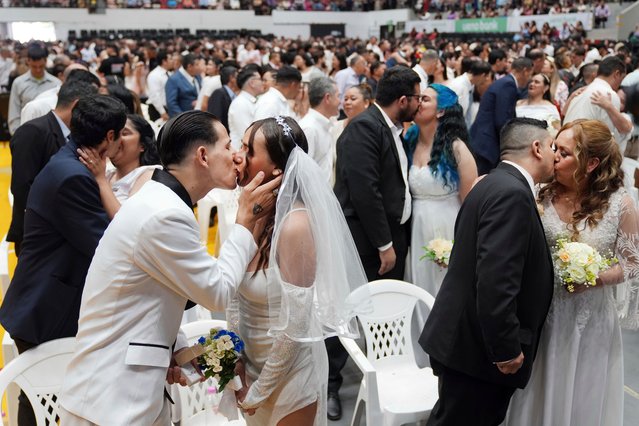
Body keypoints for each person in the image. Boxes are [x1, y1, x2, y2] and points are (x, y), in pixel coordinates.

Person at [58, 111, 282, 425]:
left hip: (129, 392)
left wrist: (173, 349)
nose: (237, 157)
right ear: (203, 156)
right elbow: (216, 293)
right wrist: (245, 220)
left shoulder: (161, 200)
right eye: (229, 145)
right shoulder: (164, 213)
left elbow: (148, 294)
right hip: (109, 401)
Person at [229, 116, 368, 426]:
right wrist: (235, 358)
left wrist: (260, 390)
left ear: (277, 168)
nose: (238, 156)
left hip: (289, 375)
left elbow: (297, 323)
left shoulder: (295, 225)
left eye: (249, 150)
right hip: (250, 368)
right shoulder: (252, 212)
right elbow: (234, 294)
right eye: (240, 145)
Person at [0, 95, 127, 426]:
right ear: (110, 137)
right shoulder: (73, 175)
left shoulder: (70, 161)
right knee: (46, 399)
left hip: (48, 297)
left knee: (46, 398)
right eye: (121, 135)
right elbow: (107, 245)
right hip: (46, 306)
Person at [420, 118, 556, 426]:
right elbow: (496, 278)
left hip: (464, 339)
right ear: (536, 148)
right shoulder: (512, 193)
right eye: (551, 147)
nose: (554, 155)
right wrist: (505, 347)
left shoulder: (491, 182)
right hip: (478, 350)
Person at [504, 119, 639, 426]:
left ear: (591, 163)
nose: (553, 157)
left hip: (589, 320)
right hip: (542, 315)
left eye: (563, 153)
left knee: (582, 395)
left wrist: (596, 277)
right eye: (554, 148)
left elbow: (633, 264)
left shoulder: (621, 205)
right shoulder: (540, 194)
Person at [331, 65, 421, 420]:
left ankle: (385, 372)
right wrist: (384, 243)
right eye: (416, 97)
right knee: (349, 308)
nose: (417, 103)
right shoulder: (365, 128)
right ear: (403, 100)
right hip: (365, 239)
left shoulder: (390, 128)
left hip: (388, 235)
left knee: (383, 309)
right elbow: (364, 192)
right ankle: (331, 383)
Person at [7, 80, 98, 257]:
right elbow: (22, 187)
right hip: (36, 233)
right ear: (77, 105)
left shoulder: (74, 134)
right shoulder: (33, 131)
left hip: (61, 231)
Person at [403, 84, 477, 297]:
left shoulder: (456, 148)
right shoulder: (409, 140)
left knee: (444, 288)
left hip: (446, 226)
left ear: (441, 111)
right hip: (416, 227)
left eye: (425, 99)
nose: (418, 103)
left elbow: (470, 204)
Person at [76, 114, 162, 218]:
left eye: (124, 133)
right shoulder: (107, 172)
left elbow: (125, 222)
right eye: (113, 134)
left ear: (142, 145)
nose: (115, 139)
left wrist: (101, 180)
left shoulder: (149, 175)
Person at [470, 58, 534, 174]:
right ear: (525, 71)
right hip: (486, 145)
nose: (530, 79)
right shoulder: (508, 85)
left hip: (482, 141)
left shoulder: (505, 82)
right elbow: (502, 121)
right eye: (530, 74)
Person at [8, 43, 61, 134]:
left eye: (41, 66)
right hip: (26, 132)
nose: (38, 70)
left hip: (51, 133)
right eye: (34, 66)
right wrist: (17, 135)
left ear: (45, 61)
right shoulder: (18, 83)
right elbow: (14, 112)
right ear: (28, 61)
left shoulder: (56, 83)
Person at [299, 77, 340, 183]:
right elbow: (303, 174)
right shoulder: (309, 128)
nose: (340, 101)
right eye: (338, 96)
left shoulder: (326, 124)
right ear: (327, 98)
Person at [228, 65, 265, 149]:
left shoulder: (250, 101)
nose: (263, 82)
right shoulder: (240, 103)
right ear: (252, 83)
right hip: (240, 153)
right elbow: (246, 134)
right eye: (260, 79)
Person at [165, 53, 202, 117]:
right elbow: (171, 104)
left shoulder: (198, 76)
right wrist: (183, 118)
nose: (199, 67)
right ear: (189, 66)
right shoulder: (174, 79)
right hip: (183, 119)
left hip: (198, 116)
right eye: (197, 65)